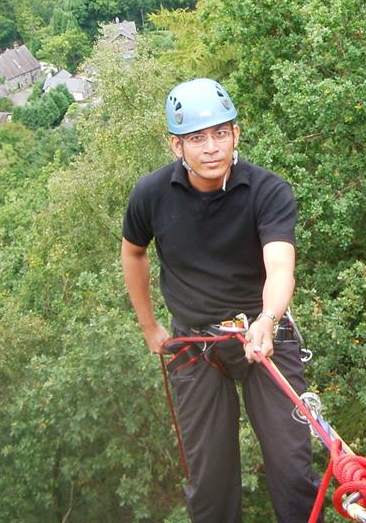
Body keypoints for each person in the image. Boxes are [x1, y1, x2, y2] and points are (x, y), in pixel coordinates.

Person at [120, 78, 321, 522]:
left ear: (236, 135)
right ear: (177, 146)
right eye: (196, 138)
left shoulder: (267, 191)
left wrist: (268, 318)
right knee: (208, 482)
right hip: (195, 345)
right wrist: (149, 326)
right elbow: (133, 251)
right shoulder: (151, 195)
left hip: (263, 337)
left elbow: (280, 266)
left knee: (292, 471)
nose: (211, 147)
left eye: (220, 133)